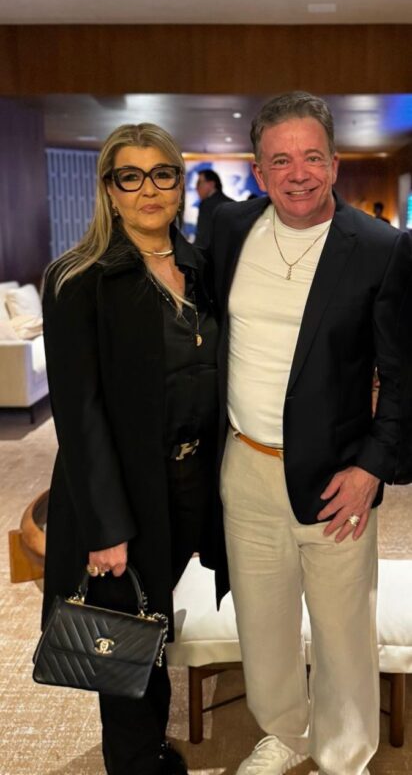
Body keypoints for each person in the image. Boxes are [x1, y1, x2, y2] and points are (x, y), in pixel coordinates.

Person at [209, 92, 412, 775]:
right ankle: (284, 734)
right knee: (262, 619)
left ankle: (344, 753)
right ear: (258, 170)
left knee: (342, 627)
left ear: (334, 163)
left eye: (312, 158)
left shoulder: (381, 248)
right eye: (280, 160)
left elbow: (403, 376)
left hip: (337, 474)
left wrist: (372, 469)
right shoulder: (228, 228)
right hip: (246, 465)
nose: (298, 174)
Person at [41, 123, 218, 775]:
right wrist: (106, 527)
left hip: (188, 485)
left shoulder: (200, 269)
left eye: (162, 174)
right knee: (122, 649)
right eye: (131, 176)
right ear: (109, 191)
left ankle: (151, 752)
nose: (149, 190)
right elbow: (79, 414)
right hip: (121, 493)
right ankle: (139, 763)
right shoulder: (78, 279)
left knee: (154, 626)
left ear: (179, 183)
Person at [194, 168, 233, 249]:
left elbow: (203, 239)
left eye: (199, 183)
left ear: (211, 184)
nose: (196, 187)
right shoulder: (232, 203)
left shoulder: (207, 205)